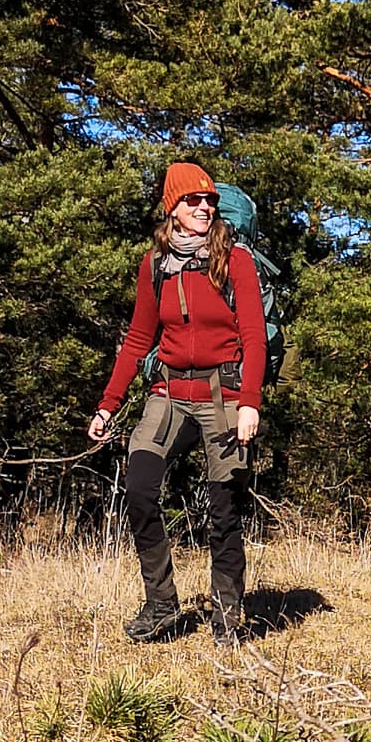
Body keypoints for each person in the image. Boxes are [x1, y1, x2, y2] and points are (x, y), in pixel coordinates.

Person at [89, 161, 265, 647]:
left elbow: (254, 336)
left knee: (224, 509)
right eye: (193, 200)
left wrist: (250, 402)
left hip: (223, 395)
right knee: (140, 487)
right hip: (168, 394)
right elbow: (138, 338)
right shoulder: (155, 266)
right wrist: (108, 404)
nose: (204, 208)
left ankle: (227, 616)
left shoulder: (234, 261)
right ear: (173, 208)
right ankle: (161, 603)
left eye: (210, 201)